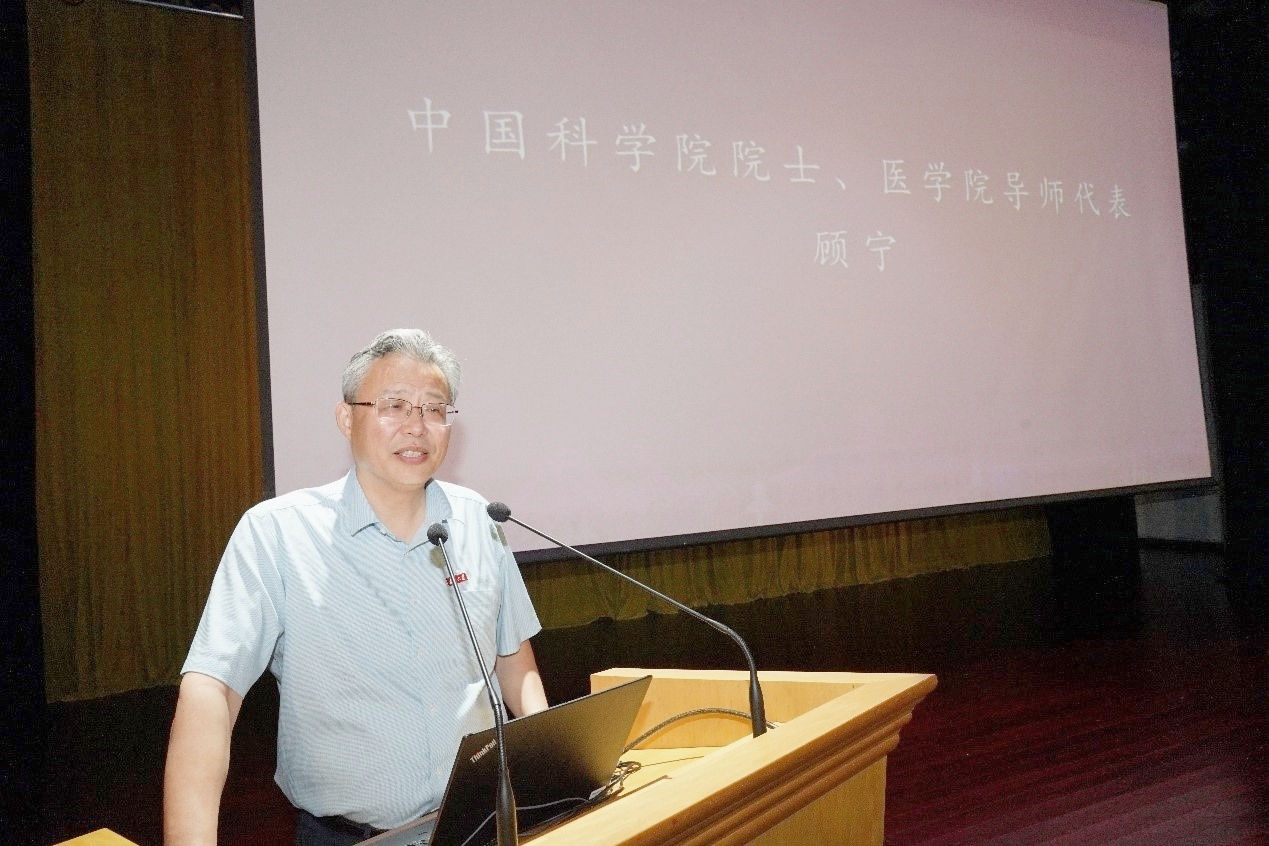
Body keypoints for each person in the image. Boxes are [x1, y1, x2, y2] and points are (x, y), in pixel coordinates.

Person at [163, 329, 548, 846]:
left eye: (434, 409)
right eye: (394, 405)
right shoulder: (277, 533)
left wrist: (556, 778)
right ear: (346, 418)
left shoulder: (480, 520)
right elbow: (212, 688)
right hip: (351, 838)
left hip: (480, 823)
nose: (416, 426)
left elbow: (512, 658)